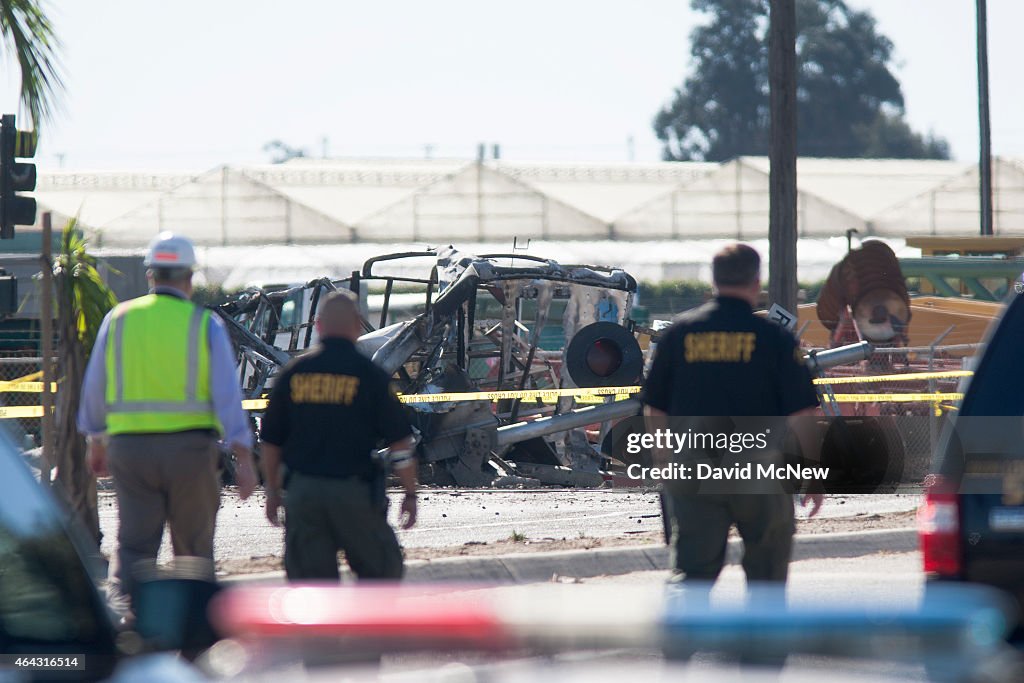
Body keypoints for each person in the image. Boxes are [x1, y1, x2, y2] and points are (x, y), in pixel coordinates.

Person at [78, 232, 257, 613]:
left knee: (135, 546)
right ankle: (192, 632)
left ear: (150, 276)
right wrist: (243, 456)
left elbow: (95, 386)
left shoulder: (119, 320)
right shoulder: (203, 324)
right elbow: (227, 395)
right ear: (189, 278)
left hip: (130, 450)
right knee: (192, 548)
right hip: (190, 453)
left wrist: (96, 442)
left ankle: (127, 622)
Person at [642, 243, 822, 587]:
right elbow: (802, 411)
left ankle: (679, 639)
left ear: (713, 281)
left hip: (694, 465)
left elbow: (655, 407)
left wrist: (665, 462)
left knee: (690, 575)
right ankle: (760, 641)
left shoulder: (679, 334)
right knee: (767, 576)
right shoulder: (775, 339)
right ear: (757, 282)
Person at [260, 289, 417, 581]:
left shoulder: (293, 374)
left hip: (303, 494)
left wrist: (272, 491)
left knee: (312, 590)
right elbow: (400, 444)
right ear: (358, 325)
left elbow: (270, 442)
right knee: (382, 575)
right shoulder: (370, 376)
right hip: (354, 493)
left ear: (318, 326)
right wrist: (409, 493)